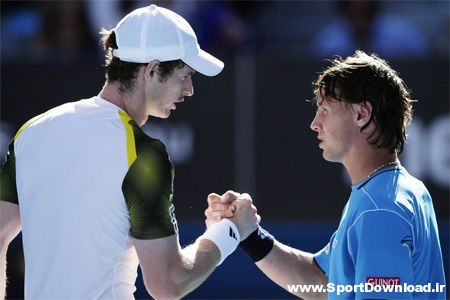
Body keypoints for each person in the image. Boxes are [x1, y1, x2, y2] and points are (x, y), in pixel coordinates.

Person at [0, 4, 259, 299]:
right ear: (151, 70)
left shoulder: (32, 132)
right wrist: (227, 233)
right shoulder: (143, 154)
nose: (189, 90)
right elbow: (167, 284)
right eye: (184, 76)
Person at [206, 50, 446, 299]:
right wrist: (250, 235)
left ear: (361, 114)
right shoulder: (391, 193)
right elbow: (322, 282)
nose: (314, 123)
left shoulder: (378, 210)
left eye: (325, 110)